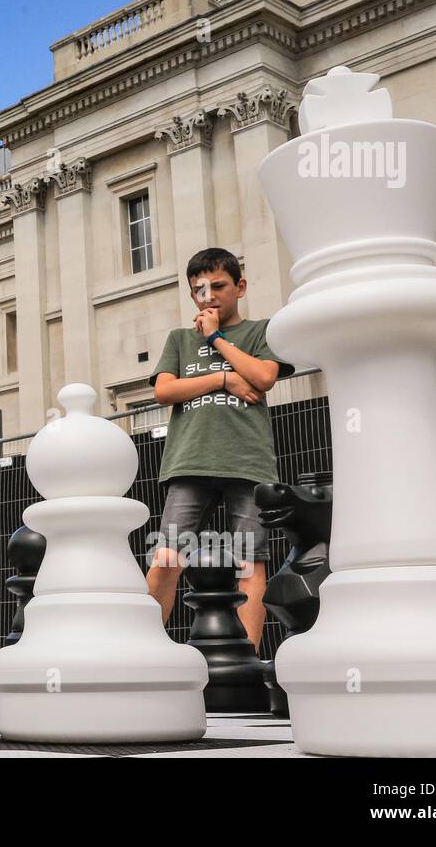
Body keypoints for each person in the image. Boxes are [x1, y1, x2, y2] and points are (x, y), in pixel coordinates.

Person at [144, 248, 294, 650]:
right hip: (190, 461)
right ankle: (144, 645)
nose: (208, 296)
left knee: (249, 560)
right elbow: (163, 390)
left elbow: (263, 376)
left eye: (218, 286)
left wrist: (215, 338)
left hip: (248, 463)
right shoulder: (178, 339)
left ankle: (246, 658)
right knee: (167, 557)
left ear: (240, 287)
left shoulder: (261, 332)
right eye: (198, 290)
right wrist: (223, 380)